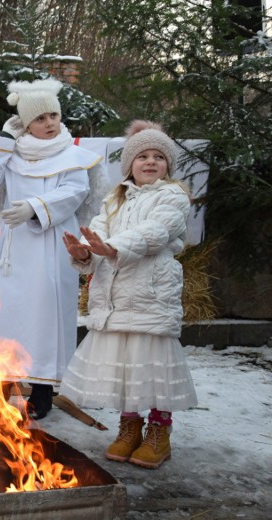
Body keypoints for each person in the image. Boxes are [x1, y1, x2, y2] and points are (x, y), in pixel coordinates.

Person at [59, 120, 197, 469]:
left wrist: (110, 247)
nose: (150, 162)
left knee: (151, 366)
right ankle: (129, 427)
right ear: (129, 165)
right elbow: (99, 235)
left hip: (150, 294)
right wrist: (86, 253)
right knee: (125, 368)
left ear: (168, 165)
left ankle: (158, 432)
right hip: (115, 297)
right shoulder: (114, 199)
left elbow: (156, 232)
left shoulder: (173, 196)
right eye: (142, 156)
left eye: (158, 157)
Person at [0, 78, 103, 420]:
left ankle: (42, 389)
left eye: (53, 116)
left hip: (51, 244)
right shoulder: (12, 153)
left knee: (44, 318)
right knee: (5, 316)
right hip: (13, 251)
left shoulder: (72, 156)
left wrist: (34, 207)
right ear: (25, 123)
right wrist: (3, 140)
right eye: (40, 118)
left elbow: (73, 193)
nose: (49, 123)